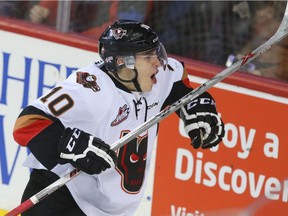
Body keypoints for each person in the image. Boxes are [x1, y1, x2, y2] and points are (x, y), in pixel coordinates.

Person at [13, 20, 225, 216]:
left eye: (157, 53)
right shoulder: (89, 88)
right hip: (63, 198)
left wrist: (197, 104)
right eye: (149, 56)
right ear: (124, 62)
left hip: (108, 208)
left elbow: (179, 82)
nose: (158, 63)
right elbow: (26, 124)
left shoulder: (157, 78)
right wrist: (70, 144)